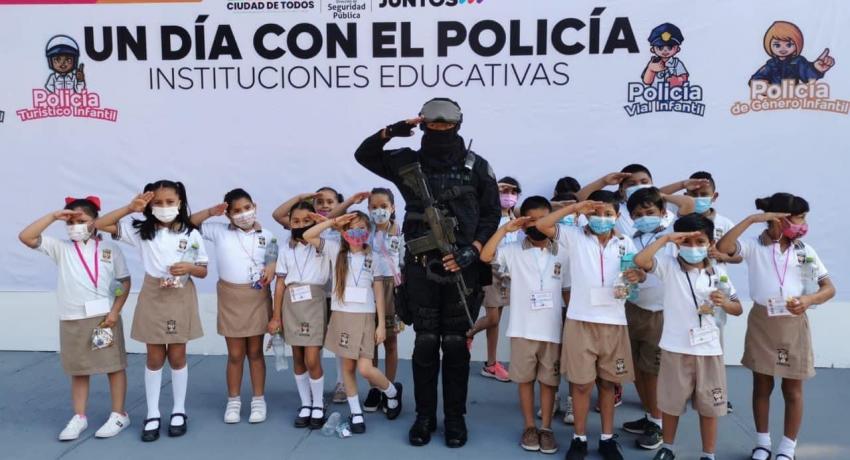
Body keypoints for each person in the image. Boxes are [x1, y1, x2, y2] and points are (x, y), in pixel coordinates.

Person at [354, 97, 500, 447]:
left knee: (454, 345)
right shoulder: (408, 162)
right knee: (424, 343)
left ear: (457, 127)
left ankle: (454, 419)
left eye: (445, 126)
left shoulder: (476, 166)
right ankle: (423, 417)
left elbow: (491, 214)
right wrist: (392, 131)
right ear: (422, 125)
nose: (438, 131)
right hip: (420, 269)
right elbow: (365, 155)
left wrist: (472, 251)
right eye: (431, 125)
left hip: (460, 269)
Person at [717, 193, 835, 460]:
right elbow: (724, 247)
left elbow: (829, 288)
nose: (804, 224)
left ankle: (787, 448)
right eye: (800, 217)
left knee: (792, 389)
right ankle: (762, 443)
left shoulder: (805, 250)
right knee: (762, 385)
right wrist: (751, 220)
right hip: (762, 321)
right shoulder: (753, 246)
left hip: (793, 322)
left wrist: (808, 300)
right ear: (780, 218)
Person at [95, 181, 209, 442]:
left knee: (178, 355)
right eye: (158, 202)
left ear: (180, 203)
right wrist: (128, 208)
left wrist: (189, 268)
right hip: (153, 293)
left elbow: (203, 269)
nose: (165, 207)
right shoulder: (139, 230)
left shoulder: (190, 232)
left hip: (180, 294)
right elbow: (99, 225)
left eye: (170, 202)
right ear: (148, 205)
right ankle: (153, 412)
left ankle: (179, 410)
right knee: (155, 357)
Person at [535, 191, 644, 460]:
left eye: (608, 213)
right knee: (581, 385)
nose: (602, 218)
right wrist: (577, 206)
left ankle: (607, 439)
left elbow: (638, 272)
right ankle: (579, 438)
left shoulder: (624, 242)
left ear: (618, 216)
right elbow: (542, 225)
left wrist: (638, 274)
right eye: (596, 212)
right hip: (580, 321)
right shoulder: (574, 236)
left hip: (614, 322)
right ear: (586, 213)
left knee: (608, 384)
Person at [19, 196, 131, 440]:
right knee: (79, 370)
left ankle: (119, 413)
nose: (75, 226)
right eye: (70, 222)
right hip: (72, 318)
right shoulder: (61, 247)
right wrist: (52, 216)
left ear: (95, 221)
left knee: (113, 366)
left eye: (81, 220)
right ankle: (79, 417)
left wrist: (115, 312)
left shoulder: (111, 249)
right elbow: (26, 237)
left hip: (104, 318)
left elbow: (124, 282)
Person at [634, 213, 743, 460]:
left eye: (700, 242)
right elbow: (641, 260)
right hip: (675, 348)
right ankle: (668, 447)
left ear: (710, 242)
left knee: (710, 407)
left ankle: (708, 454)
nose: (693, 248)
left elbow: (737, 308)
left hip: (709, 350)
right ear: (678, 243)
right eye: (687, 242)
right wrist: (667, 239)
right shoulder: (669, 266)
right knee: (671, 405)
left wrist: (724, 302)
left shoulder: (718, 273)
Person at [480, 196, 569, 455]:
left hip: (552, 330)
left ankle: (547, 428)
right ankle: (530, 426)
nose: (538, 225)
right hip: (522, 329)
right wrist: (505, 229)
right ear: (523, 222)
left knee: (549, 381)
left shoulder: (563, 251)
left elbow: (567, 291)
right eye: (532, 220)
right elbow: (486, 256)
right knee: (525, 380)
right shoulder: (512, 251)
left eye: (544, 219)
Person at [303, 211, 403, 433]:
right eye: (351, 228)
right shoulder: (335, 250)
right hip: (342, 317)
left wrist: (379, 325)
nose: (356, 233)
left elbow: (378, 292)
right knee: (347, 366)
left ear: (368, 231)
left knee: (366, 369)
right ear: (344, 231)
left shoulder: (374, 257)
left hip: (366, 317)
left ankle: (392, 391)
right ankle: (356, 412)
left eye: (361, 228)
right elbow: (308, 235)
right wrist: (334, 222)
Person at [190, 189, 276, 425]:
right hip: (230, 297)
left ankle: (259, 400)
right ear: (227, 215)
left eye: (246, 208)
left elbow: (274, 256)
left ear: (255, 206)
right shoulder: (218, 231)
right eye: (236, 211)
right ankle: (234, 401)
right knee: (236, 354)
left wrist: (272, 265)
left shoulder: (267, 235)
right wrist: (210, 212)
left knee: (256, 353)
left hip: (257, 297)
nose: (243, 214)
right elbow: (188, 223)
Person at [620, 187, 695, 451]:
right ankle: (651, 415)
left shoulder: (670, 232)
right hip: (633, 308)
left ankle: (659, 424)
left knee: (653, 372)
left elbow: (687, 202)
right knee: (637, 370)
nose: (644, 217)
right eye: (638, 214)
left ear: (662, 212)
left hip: (660, 313)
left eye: (650, 212)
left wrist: (658, 193)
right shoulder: (632, 238)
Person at [270, 201, 332, 429]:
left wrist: (321, 223)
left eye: (307, 220)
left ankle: (318, 403)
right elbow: (279, 284)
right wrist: (276, 316)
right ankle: (305, 403)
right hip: (291, 304)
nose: (301, 224)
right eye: (295, 221)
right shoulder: (286, 249)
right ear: (289, 224)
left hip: (315, 302)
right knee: (297, 355)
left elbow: (336, 235)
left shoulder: (324, 245)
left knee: (312, 357)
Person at [469, 176, 523, 382]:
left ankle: (491, 364)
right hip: (489, 269)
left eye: (513, 192)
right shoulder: (486, 215)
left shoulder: (515, 217)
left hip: (508, 273)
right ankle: (468, 333)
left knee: (496, 322)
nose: (508, 196)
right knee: (491, 318)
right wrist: (493, 188)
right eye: (504, 191)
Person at [363, 188, 405, 413]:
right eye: (374, 207)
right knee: (370, 342)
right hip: (367, 288)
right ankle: (375, 387)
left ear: (393, 208)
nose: (379, 211)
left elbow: (406, 261)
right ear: (368, 209)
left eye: (384, 206)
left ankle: (390, 386)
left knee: (390, 341)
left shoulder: (400, 231)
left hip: (391, 289)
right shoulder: (363, 230)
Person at [750, 21, 835, 84]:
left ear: (797, 45)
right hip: (774, 100)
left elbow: (807, 75)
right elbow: (756, 79)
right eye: (777, 45)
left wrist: (816, 69)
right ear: (769, 45)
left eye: (789, 45)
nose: (783, 49)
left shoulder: (798, 61)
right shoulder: (771, 64)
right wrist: (764, 86)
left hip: (793, 99)